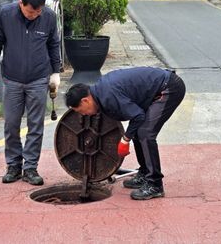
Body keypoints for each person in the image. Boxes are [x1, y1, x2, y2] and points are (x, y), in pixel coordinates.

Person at [65, 66, 185, 200]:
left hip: (169, 88)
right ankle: (145, 173)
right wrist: (128, 136)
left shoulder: (108, 96)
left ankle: (155, 184)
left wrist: (125, 140)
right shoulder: (99, 93)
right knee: (137, 130)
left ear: (85, 100)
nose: (83, 114)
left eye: (80, 110)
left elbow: (138, 116)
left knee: (145, 133)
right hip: (157, 88)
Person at [0, 0, 61, 186]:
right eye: (30, 12)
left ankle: (30, 168)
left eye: (38, 12)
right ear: (21, 4)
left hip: (38, 79)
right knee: (11, 124)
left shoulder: (49, 17)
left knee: (36, 125)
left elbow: (54, 44)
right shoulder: (6, 14)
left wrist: (55, 72)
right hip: (12, 79)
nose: (35, 15)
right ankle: (13, 165)